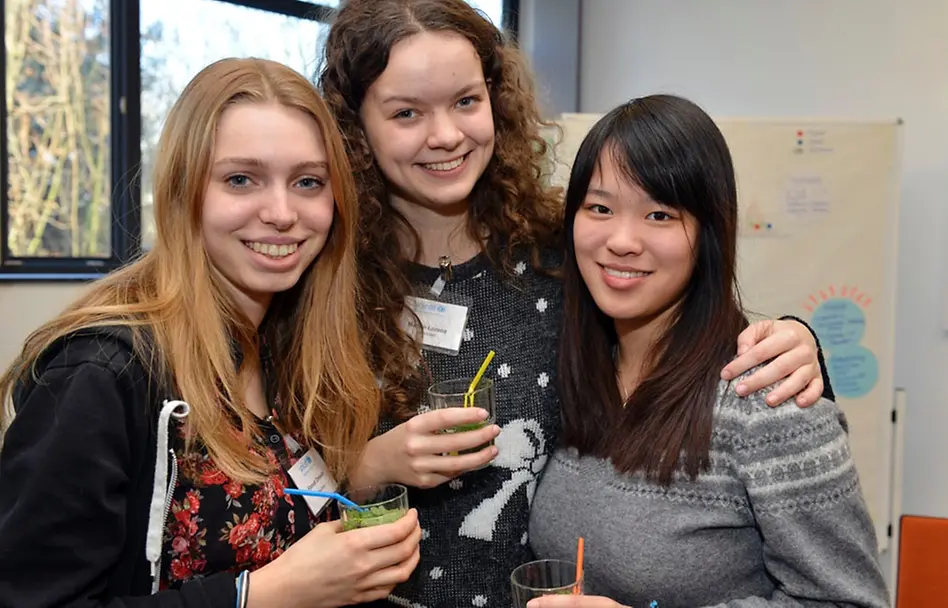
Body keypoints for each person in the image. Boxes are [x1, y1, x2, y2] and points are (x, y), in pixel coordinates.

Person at [319, 1, 831, 605]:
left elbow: (690, 314)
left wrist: (800, 341)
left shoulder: (563, 258)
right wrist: (366, 464)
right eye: (407, 112)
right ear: (355, 127)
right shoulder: (324, 275)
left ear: (496, 101)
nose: (446, 135)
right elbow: (266, 487)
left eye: (465, 101)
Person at [0, 57, 420, 607]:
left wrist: (365, 477)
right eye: (241, 179)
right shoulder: (102, 373)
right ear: (184, 191)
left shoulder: (284, 341)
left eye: (308, 182)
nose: (281, 212)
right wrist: (260, 595)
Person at [526, 95, 889, 607]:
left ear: (709, 233)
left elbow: (849, 601)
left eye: (659, 214)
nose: (622, 240)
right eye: (600, 208)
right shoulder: (579, 372)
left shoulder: (765, 395)